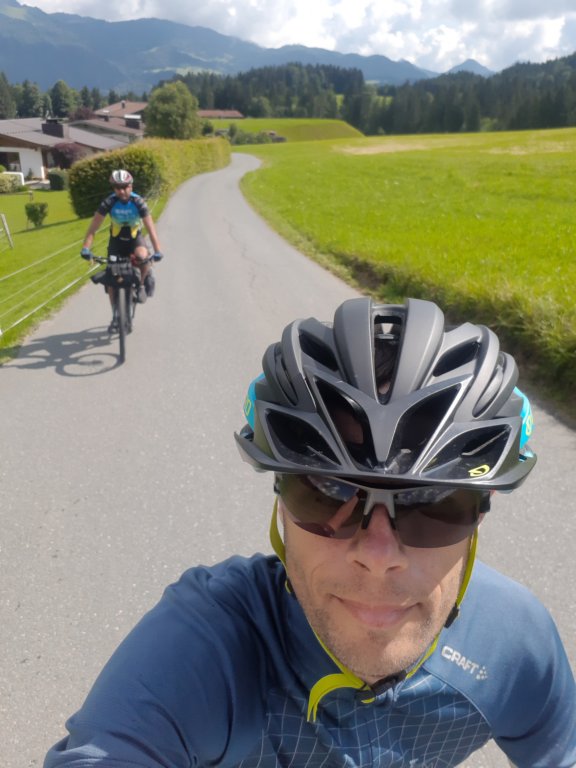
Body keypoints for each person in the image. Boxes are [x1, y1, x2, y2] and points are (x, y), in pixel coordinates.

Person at [44, 297, 575, 768]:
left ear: (481, 513)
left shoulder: (513, 646)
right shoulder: (209, 650)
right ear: (279, 503)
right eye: (327, 492)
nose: (378, 554)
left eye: (434, 503)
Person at [80, 169, 163, 314]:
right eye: (117, 188)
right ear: (113, 188)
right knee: (112, 278)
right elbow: (93, 228)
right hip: (116, 240)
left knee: (142, 257)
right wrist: (86, 248)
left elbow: (151, 229)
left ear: (131, 186)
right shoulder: (109, 203)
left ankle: (141, 284)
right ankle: (115, 315)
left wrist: (157, 251)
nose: (122, 191)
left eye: (125, 187)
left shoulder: (138, 202)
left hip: (135, 238)